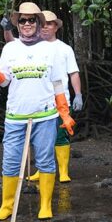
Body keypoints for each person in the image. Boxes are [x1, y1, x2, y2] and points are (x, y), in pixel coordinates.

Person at [0, 2, 75, 220]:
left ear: (39, 23)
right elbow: (4, 82)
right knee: (10, 161)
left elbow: (58, 83)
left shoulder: (51, 49)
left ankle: (45, 205)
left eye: (32, 20)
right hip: (15, 117)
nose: (27, 24)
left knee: (45, 161)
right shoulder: (10, 49)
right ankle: (6, 206)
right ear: (18, 24)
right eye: (23, 20)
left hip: (45, 116)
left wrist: (65, 113)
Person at [28, 10, 83, 183]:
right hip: (38, 99)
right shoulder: (31, 47)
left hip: (62, 98)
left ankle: (63, 171)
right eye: (42, 24)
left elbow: (73, 73)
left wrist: (78, 95)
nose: (45, 28)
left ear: (56, 27)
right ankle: (41, 169)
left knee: (62, 134)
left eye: (49, 24)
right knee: (39, 136)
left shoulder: (64, 49)